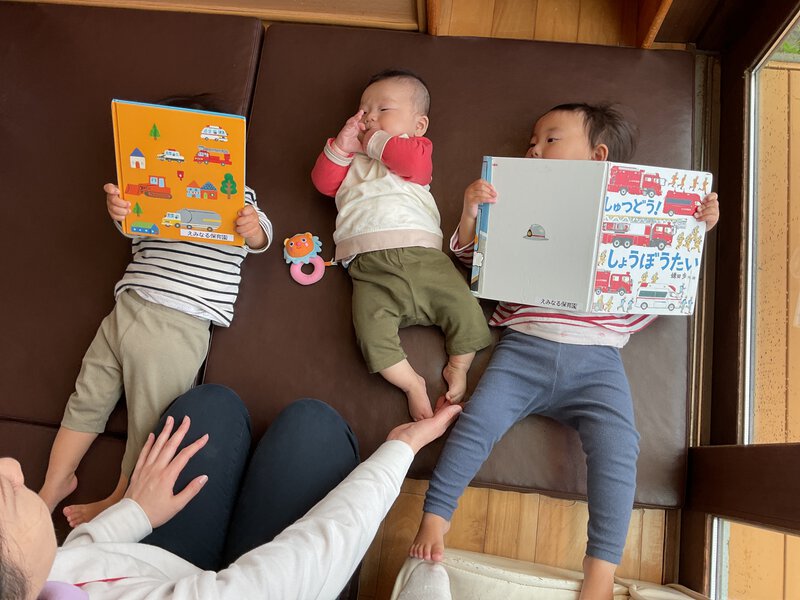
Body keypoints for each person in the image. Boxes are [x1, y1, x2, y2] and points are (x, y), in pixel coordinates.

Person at [409, 103, 720, 600]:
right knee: (477, 422)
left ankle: (602, 567)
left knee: (620, 446)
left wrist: (692, 229)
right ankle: (436, 515)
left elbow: (663, 281)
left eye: (550, 139)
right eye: (532, 142)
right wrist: (471, 214)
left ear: (597, 157)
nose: (534, 149)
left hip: (598, 361)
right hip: (522, 350)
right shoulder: (515, 197)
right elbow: (473, 261)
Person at [0, 384, 462, 599]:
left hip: (151, 569)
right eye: (4, 494)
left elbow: (71, 562)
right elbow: (313, 554)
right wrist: (401, 450)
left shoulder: (26, 576)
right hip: (279, 589)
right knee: (313, 428)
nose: (11, 466)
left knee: (208, 407)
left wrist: (134, 511)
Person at [38, 176, 273, 528]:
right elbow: (134, 225)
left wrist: (253, 229)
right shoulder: (152, 179)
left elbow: (262, 237)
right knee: (86, 397)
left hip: (178, 323)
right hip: (127, 305)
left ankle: (123, 498)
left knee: (150, 423)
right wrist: (120, 210)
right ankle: (55, 481)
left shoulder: (238, 194)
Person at [311, 69, 492, 421]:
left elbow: (410, 163)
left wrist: (373, 140)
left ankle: (458, 366)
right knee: (370, 336)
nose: (369, 118)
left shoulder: (415, 149)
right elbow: (323, 184)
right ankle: (411, 384)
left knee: (467, 310)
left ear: (418, 125)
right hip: (367, 267)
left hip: (422, 255)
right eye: (364, 111)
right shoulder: (351, 160)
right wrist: (342, 146)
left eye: (383, 109)